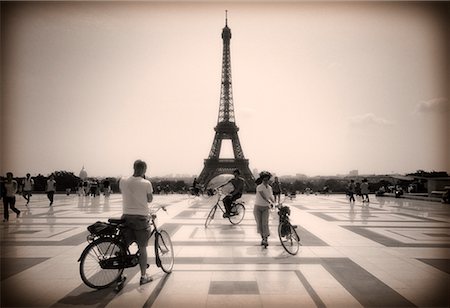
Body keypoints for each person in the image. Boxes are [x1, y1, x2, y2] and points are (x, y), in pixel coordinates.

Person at [119, 159, 154, 285]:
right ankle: (143, 276)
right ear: (144, 170)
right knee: (142, 248)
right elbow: (150, 200)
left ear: (133, 167)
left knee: (123, 246)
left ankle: (119, 274)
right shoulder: (146, 183)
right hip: (140, 218)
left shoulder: (122, 180)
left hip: (125, 217)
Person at [254, 171, 274, 247]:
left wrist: (274, 202)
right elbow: (264, 197)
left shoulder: (270, 188)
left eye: (267, 180)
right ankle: (263, 238)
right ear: (262, 180)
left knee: (265, 223)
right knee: (259, 224)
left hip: (265, 207)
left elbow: (270, 196)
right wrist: (270, 202)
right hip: (257, 207)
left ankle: (265, 239)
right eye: (264, 180)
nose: (266, 181)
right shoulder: (259, 187)